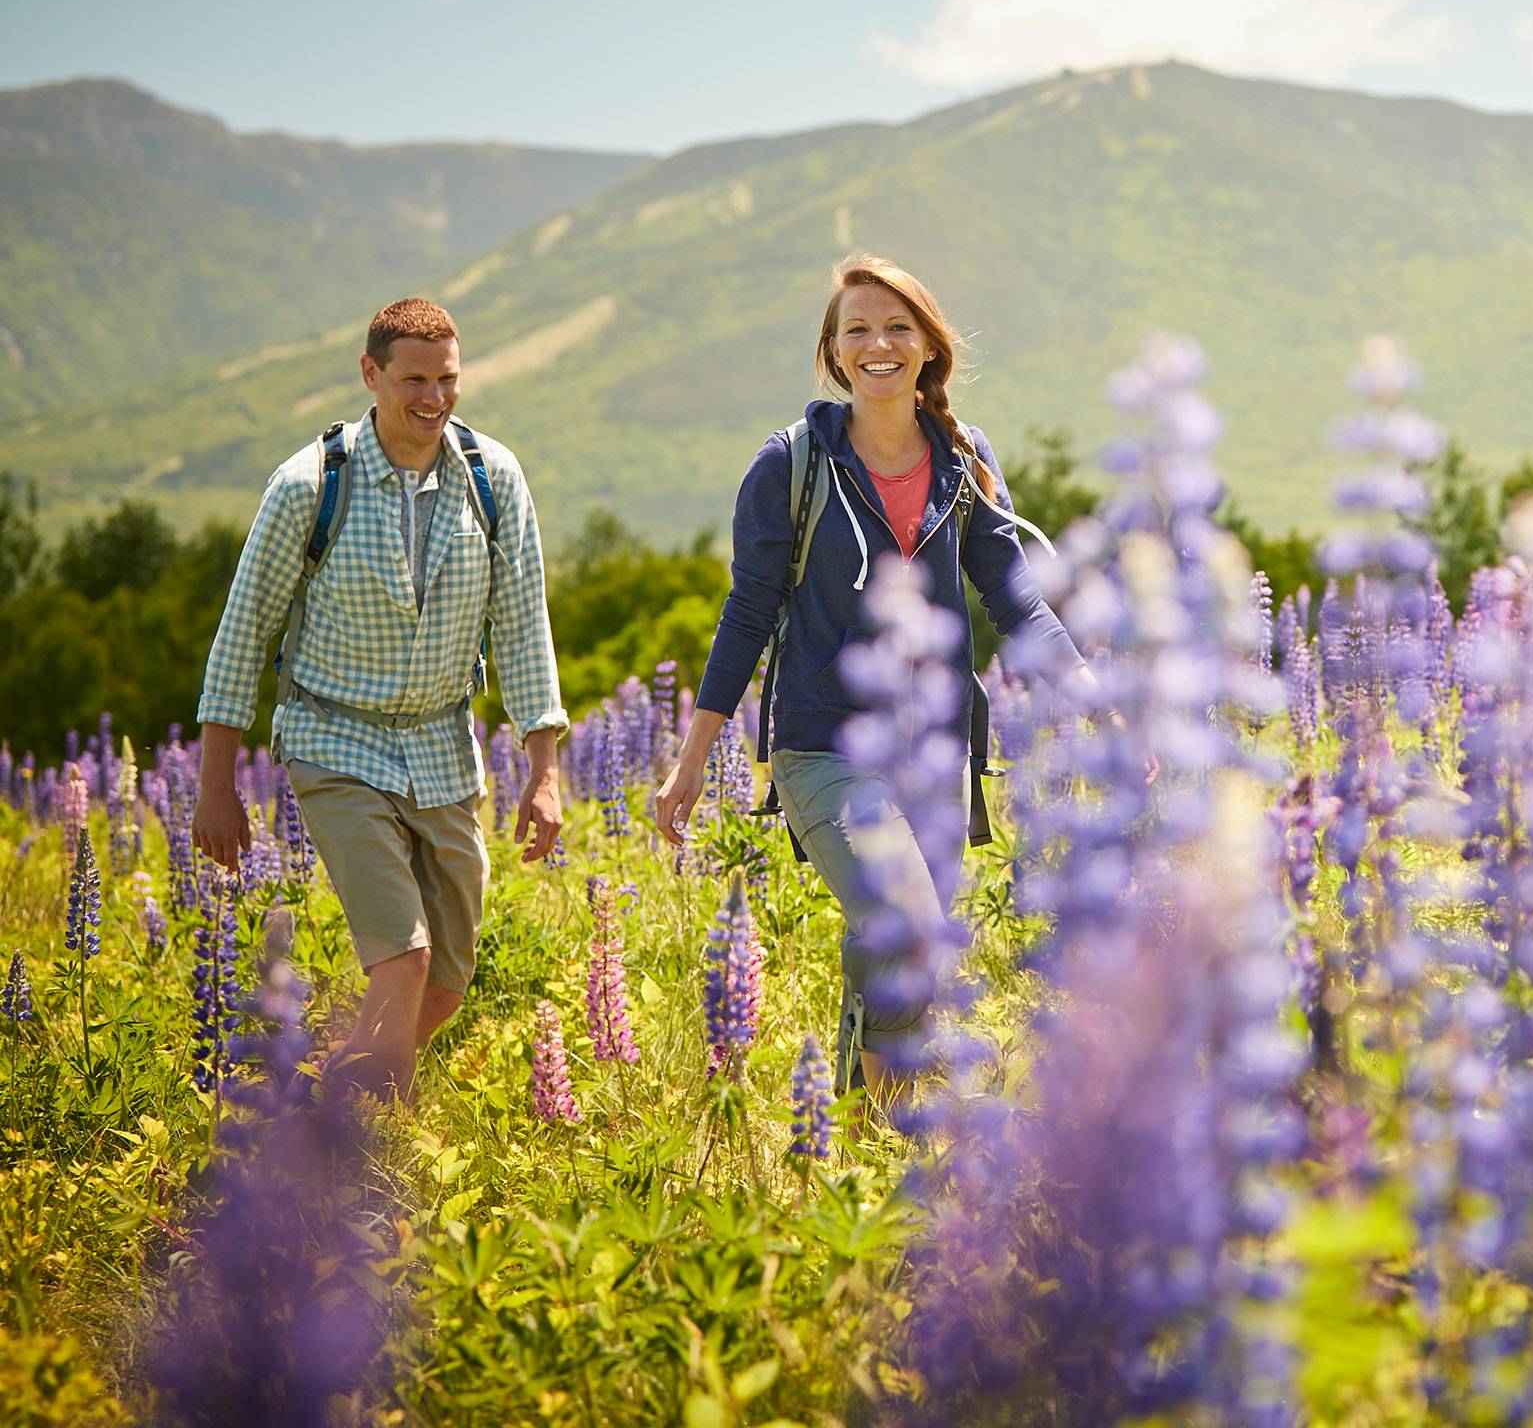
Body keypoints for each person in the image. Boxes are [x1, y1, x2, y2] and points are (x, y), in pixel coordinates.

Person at [655, 253, 1081, 1095]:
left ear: (929, 347)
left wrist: (1099, 700)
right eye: (858, 329)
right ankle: (879, 1133)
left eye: (897, 327)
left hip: (934, 756)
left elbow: (1014, 598)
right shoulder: (791, 464)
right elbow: (747, 615)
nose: (877, 343)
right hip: (824, 749)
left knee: (901, 958)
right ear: (834, 352)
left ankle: (856, 1151)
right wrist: (693, 758)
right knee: (904, 923)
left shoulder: (965, 456)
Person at [194, 296, 567, 1102]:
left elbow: (523, 628)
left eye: (448, 379)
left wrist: (544, 770)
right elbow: (242, 637)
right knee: (405, 958)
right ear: (370, 375)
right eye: (413, 380)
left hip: (442, 749)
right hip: (336, 743)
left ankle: (313, 1101)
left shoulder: (493, 478)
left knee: (448, 981)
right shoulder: (308, 486)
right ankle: (364, 1160)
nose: (433, 398)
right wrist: (215, 786)